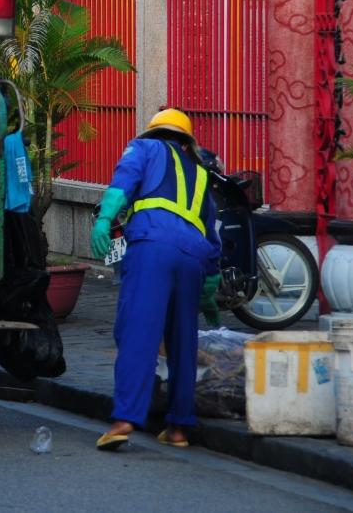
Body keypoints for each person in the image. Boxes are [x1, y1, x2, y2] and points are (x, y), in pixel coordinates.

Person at [90, 108, 221, 450]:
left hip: (152, 247)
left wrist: (104, 219)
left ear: (155, 133)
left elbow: (122, 185)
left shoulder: (144, 148)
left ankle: (124, 420)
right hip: (192, 259)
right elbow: (211, 231)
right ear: (186, 142)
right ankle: (178, 428)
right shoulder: (200, 172)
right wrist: (209, 285)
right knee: (183, 342)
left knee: (138, 333)